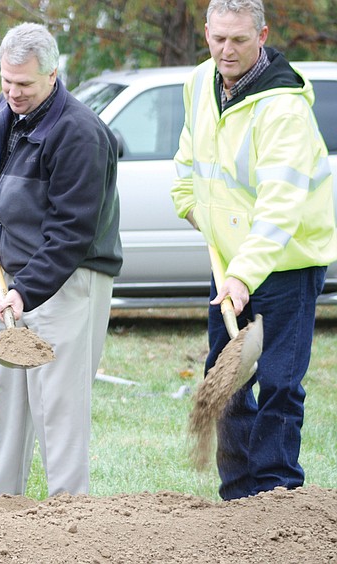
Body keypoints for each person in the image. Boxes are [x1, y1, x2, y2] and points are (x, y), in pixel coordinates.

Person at [171, 0, 337, 500]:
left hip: (286, 262)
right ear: (206, 31)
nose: (226, 50)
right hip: (231, 264)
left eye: (239, 40)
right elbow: (189, 151)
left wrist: (243, 276)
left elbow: (280, 208)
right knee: (226, 379)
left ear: (261, 35)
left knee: (278, 382)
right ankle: (238, 495)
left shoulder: (283, 108)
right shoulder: (200, 81)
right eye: (218, 38)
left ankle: (275, 496)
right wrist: (188, 199)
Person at [0, 23, 122, 496]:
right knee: (11, 394)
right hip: (16, 274)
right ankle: (1, 500)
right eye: (6, 81)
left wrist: (23, 291)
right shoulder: (2, 112)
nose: (13, 92)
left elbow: (71, 233)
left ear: (53, 74)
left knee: (58, 401)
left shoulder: (79, 134)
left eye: (25, 85)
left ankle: (68, 512)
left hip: (69, 279)